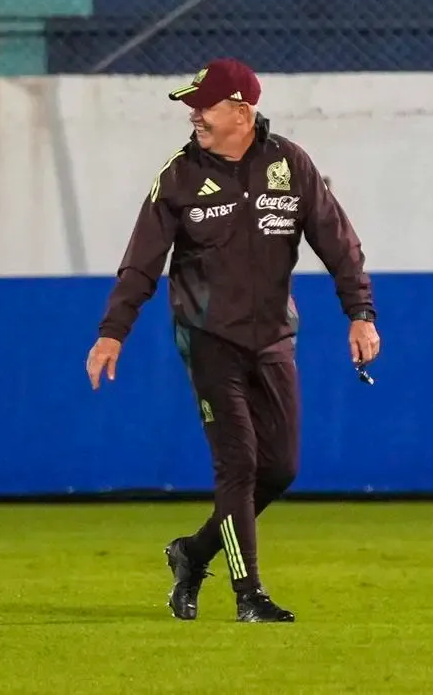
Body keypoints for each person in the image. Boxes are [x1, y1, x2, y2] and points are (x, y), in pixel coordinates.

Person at [84, 58, 379, 624]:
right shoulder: (177, 175)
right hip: (207, 338)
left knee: (281, 469)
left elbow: (340, 245)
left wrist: (360, 313)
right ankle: (250, 596)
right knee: (239, 466)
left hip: (273, 340)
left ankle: (192, 554)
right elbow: (140, 265)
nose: (193, 114)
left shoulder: (291, 165)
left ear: (241, 110)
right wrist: (111, 332)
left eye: (205, 105)